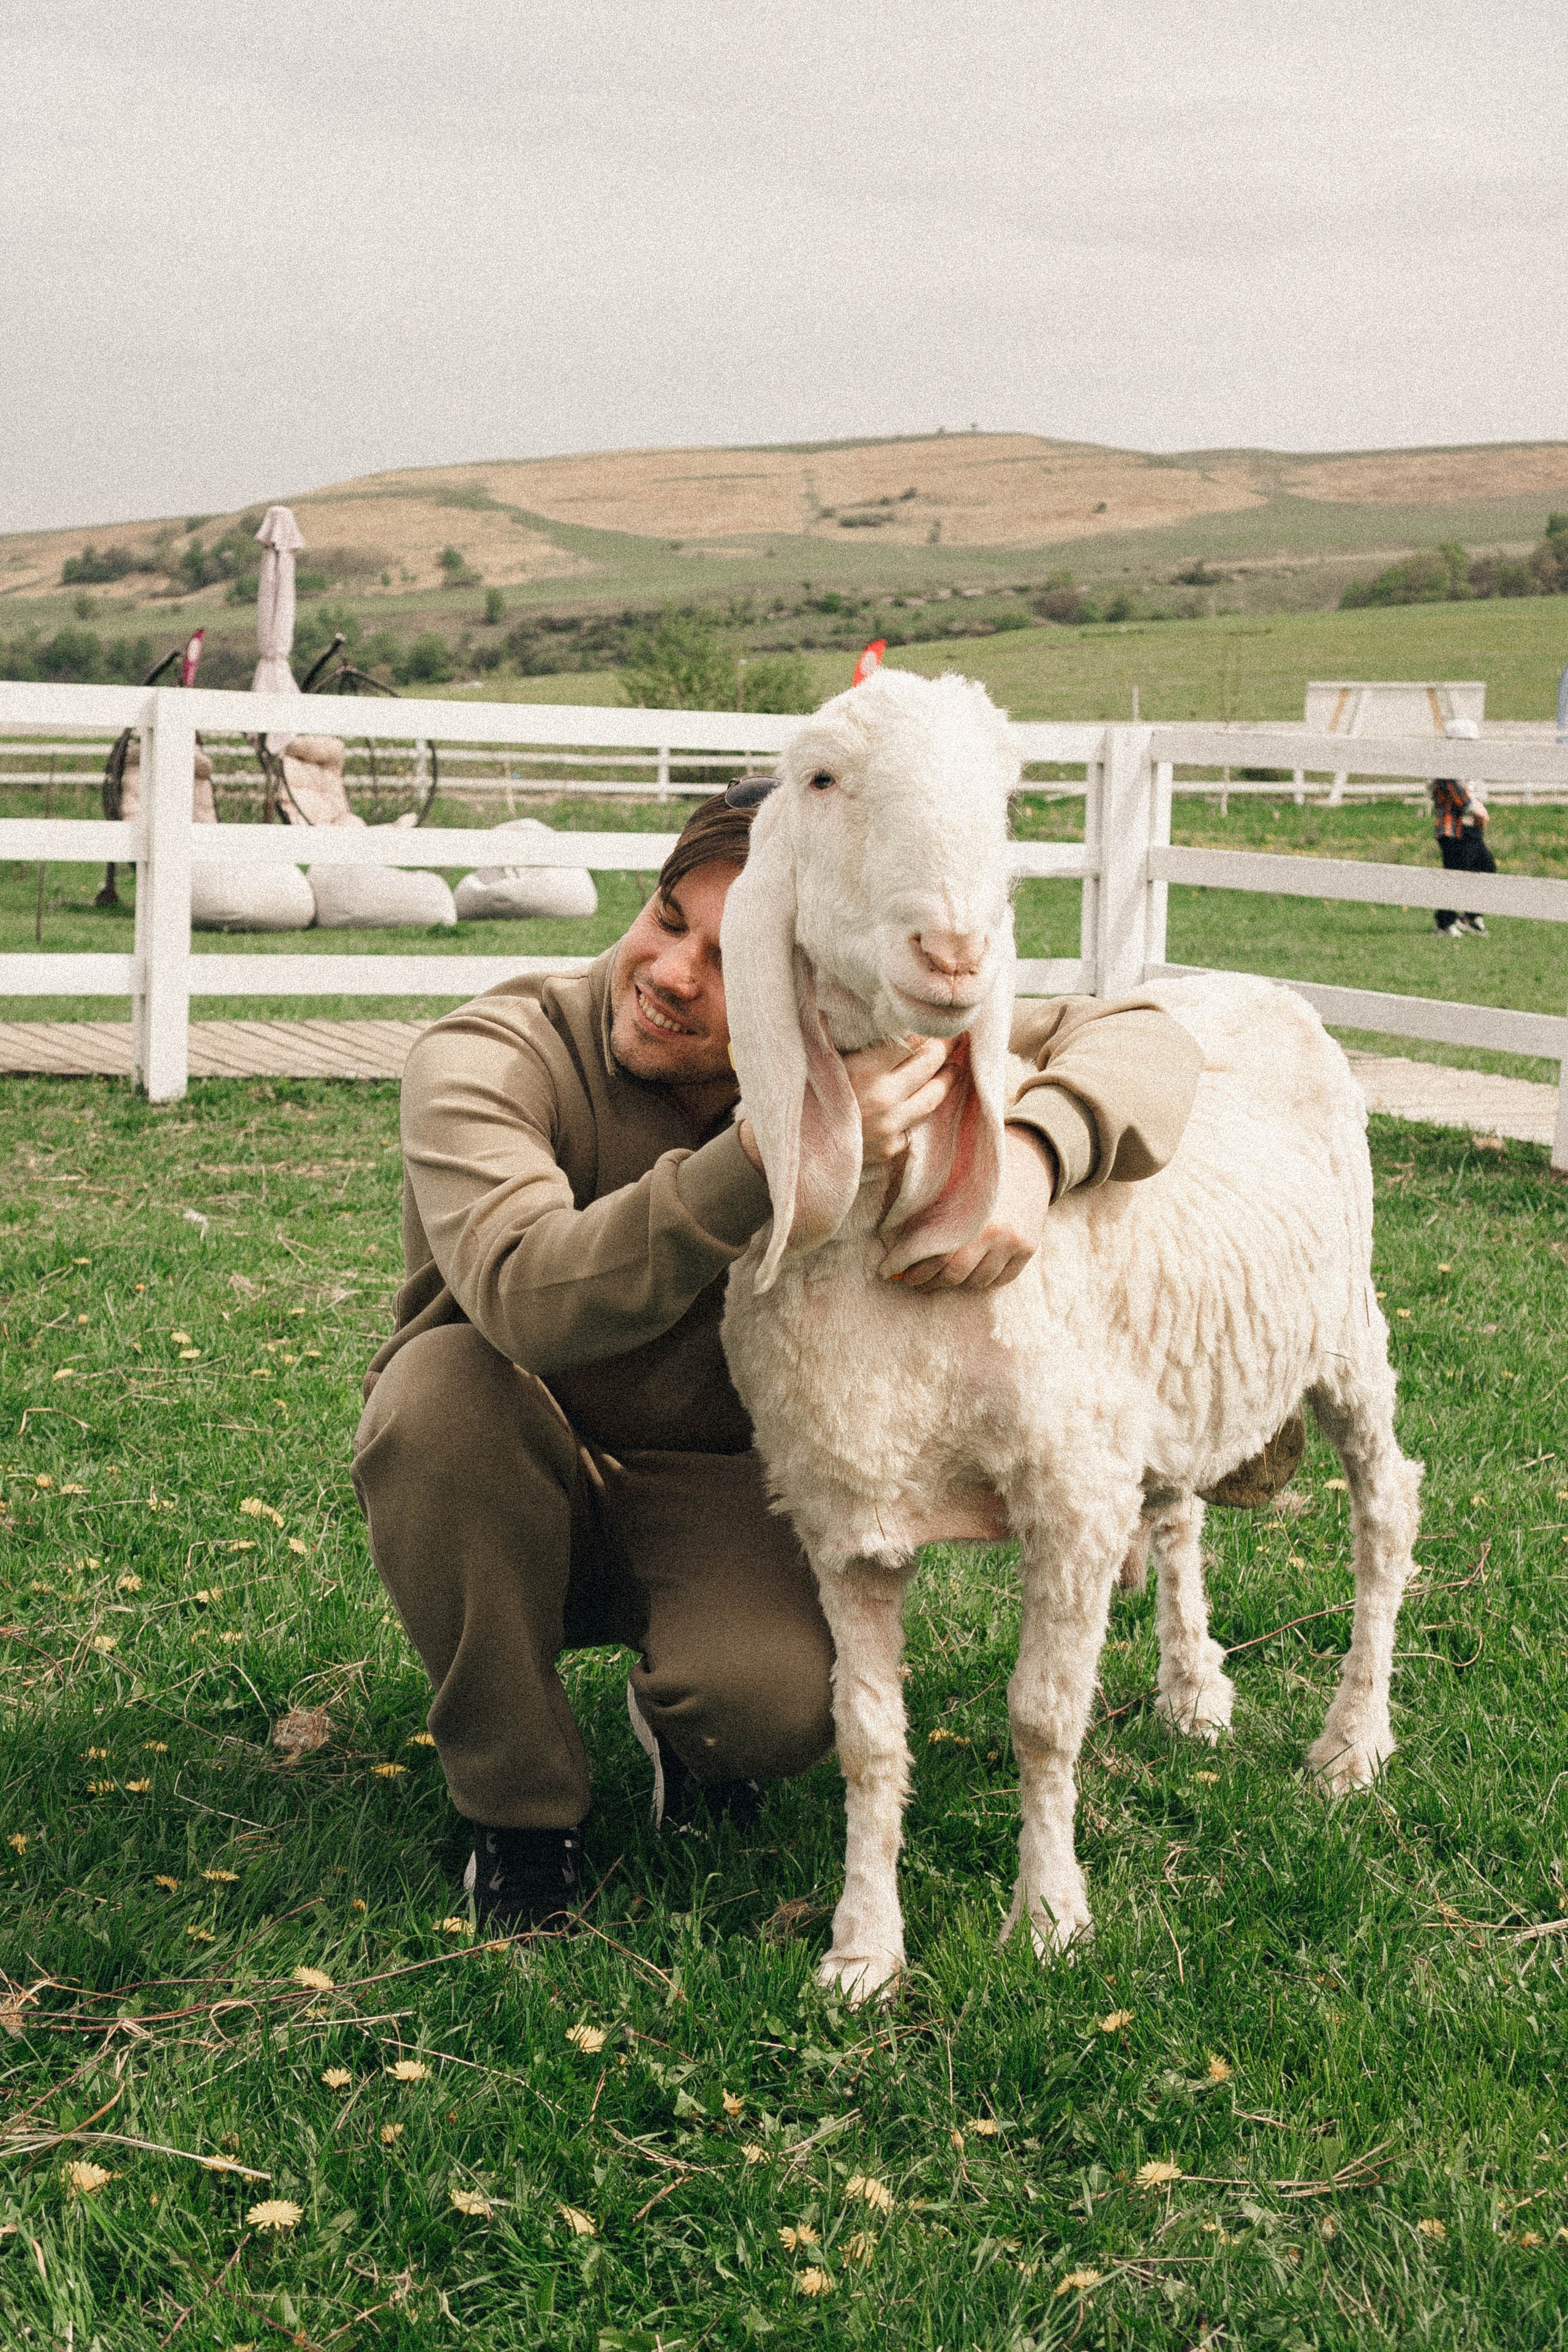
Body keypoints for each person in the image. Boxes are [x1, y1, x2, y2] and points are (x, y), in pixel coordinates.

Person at [352, 786, 1204, 1931]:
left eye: (726, 954)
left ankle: (690, 1718)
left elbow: (1147, 1038)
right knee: (437, 1394)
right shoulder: (494, 1052)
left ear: (810, 989)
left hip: (722, 1485)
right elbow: (523, 1293)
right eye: (665, 919)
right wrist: (772, 1154)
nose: (669, 972)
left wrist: (1038, 1152)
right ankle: (520, 1816)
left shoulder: (881, 1049)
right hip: (514, 1461)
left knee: (773, 1710)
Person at [1430, 717, 1496, 937]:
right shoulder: (1447, 772)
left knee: (1486, 868)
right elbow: (1466, 803)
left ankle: (1470, 916)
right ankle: (1444, 923)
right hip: (1453, 830)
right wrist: (1480, 812)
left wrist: (1480, 815)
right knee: (1456, 876)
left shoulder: (1466, 769)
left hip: (1470, 831)